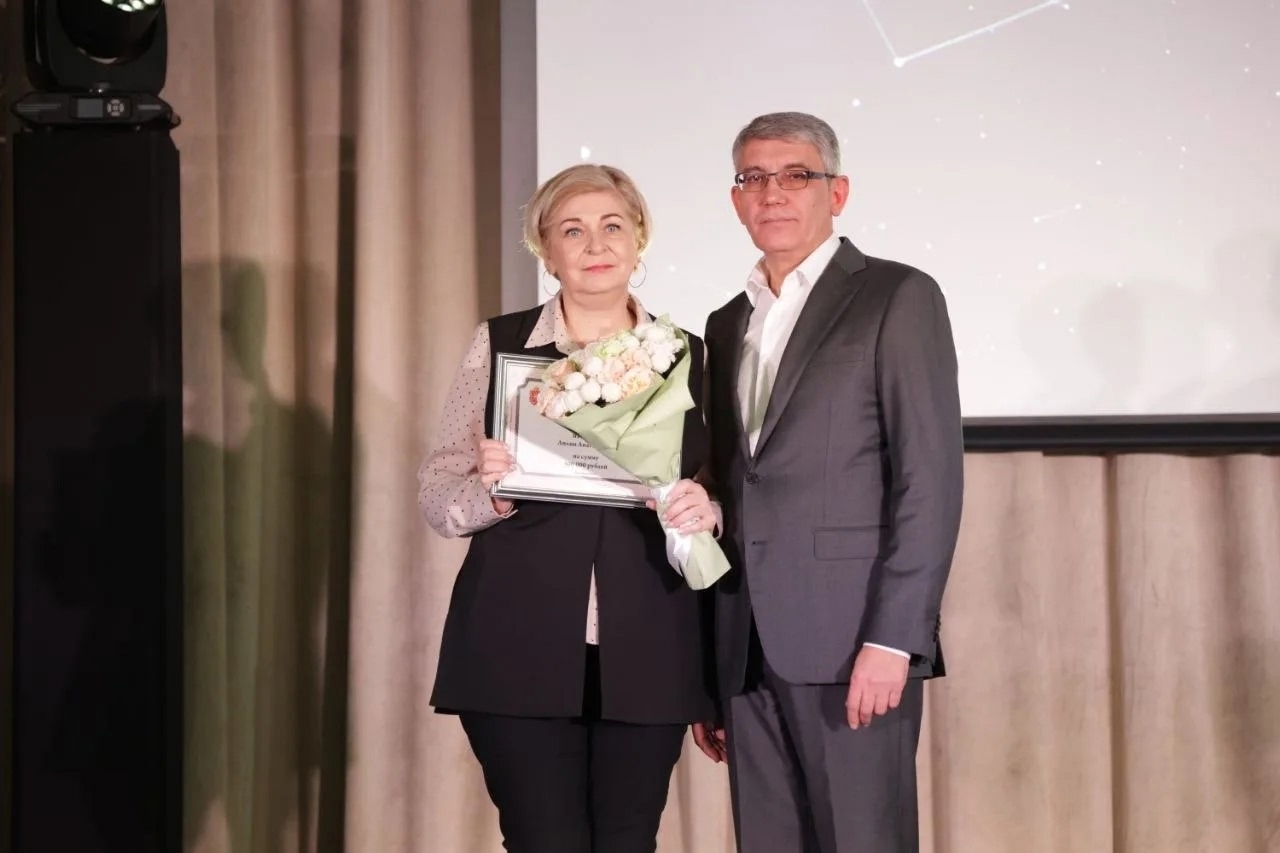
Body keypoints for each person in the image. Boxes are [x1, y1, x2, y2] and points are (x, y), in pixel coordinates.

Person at [419, 163, 718, 853]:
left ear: (638, 240)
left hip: (651, 644)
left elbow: (719, 484)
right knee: (543, 840)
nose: (596, 244)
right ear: (545, 250)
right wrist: (492, 494)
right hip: (514, 643)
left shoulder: (690, 355)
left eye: (612, 226)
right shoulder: (499, 344)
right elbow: (438, 491)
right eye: (573, 230)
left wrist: (708, 507)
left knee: (627, 843)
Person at [693, 111, 965, 852]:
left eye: (795, 175)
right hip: (745, 648)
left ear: (836, 192)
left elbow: (929, 482)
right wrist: (710, 666)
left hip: (853, 641)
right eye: (754, 178)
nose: (772, 192)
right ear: (736, 199)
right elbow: (734, 482)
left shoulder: (897, 296)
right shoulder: (725, 323)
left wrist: (895, 639)